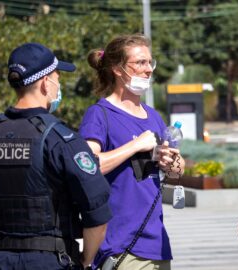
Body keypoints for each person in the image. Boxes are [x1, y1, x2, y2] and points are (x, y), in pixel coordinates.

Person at [0, 42, 112, 270]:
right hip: (54, 261)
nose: (58, 86)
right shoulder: (61, 139)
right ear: (46, 82)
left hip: (1, 261)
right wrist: (85, 259)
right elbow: (97, 214)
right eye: (58, 77)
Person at [79, 34, 185, 270]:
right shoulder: (99, 114)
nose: (148, 70)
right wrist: (135, 146)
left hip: (156, 243)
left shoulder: (153, 116)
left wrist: (173, 162)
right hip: (120, 246)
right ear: (118, 69)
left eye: (150, 62)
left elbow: (177, 169)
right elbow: (88, 166)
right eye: (140, 63)